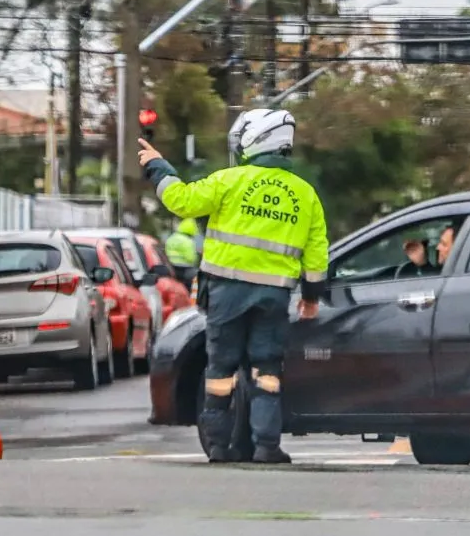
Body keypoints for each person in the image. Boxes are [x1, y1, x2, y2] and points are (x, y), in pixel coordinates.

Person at [137, 108, 329, 464]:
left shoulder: (230, 180)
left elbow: (181, 201)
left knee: (221, 370)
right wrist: (313, 297)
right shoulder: (305, 195)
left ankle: (219, 446)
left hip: (226, 293)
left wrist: (158, 167)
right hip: (274, 296)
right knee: (267, 371)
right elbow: (316, 254)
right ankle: (266, 446)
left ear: (255, 140)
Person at [164, 217, 200, 289]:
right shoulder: (188, 241)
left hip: (170, 268)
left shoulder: (171, 238)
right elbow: (191, 258)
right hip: (185, 269)